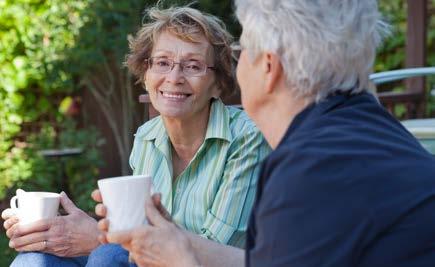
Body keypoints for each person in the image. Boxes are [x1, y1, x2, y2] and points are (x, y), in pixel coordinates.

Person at [101, 0, 435, 266]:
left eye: (244, 49)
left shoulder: (309, 170)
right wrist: (173, 237)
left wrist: (181, 261)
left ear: (269, 67)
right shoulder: (367, 131)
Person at [2, 6, 270, 267]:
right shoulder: (147, 137)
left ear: (218, 83)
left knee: (109, 255)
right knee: (34, 260)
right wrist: (53, 234)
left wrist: (99, 236)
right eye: (162, 63)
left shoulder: (247, 138)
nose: (174, 77)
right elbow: (135, 229)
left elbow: (212, 251)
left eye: (193, 65)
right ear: (146, 75)